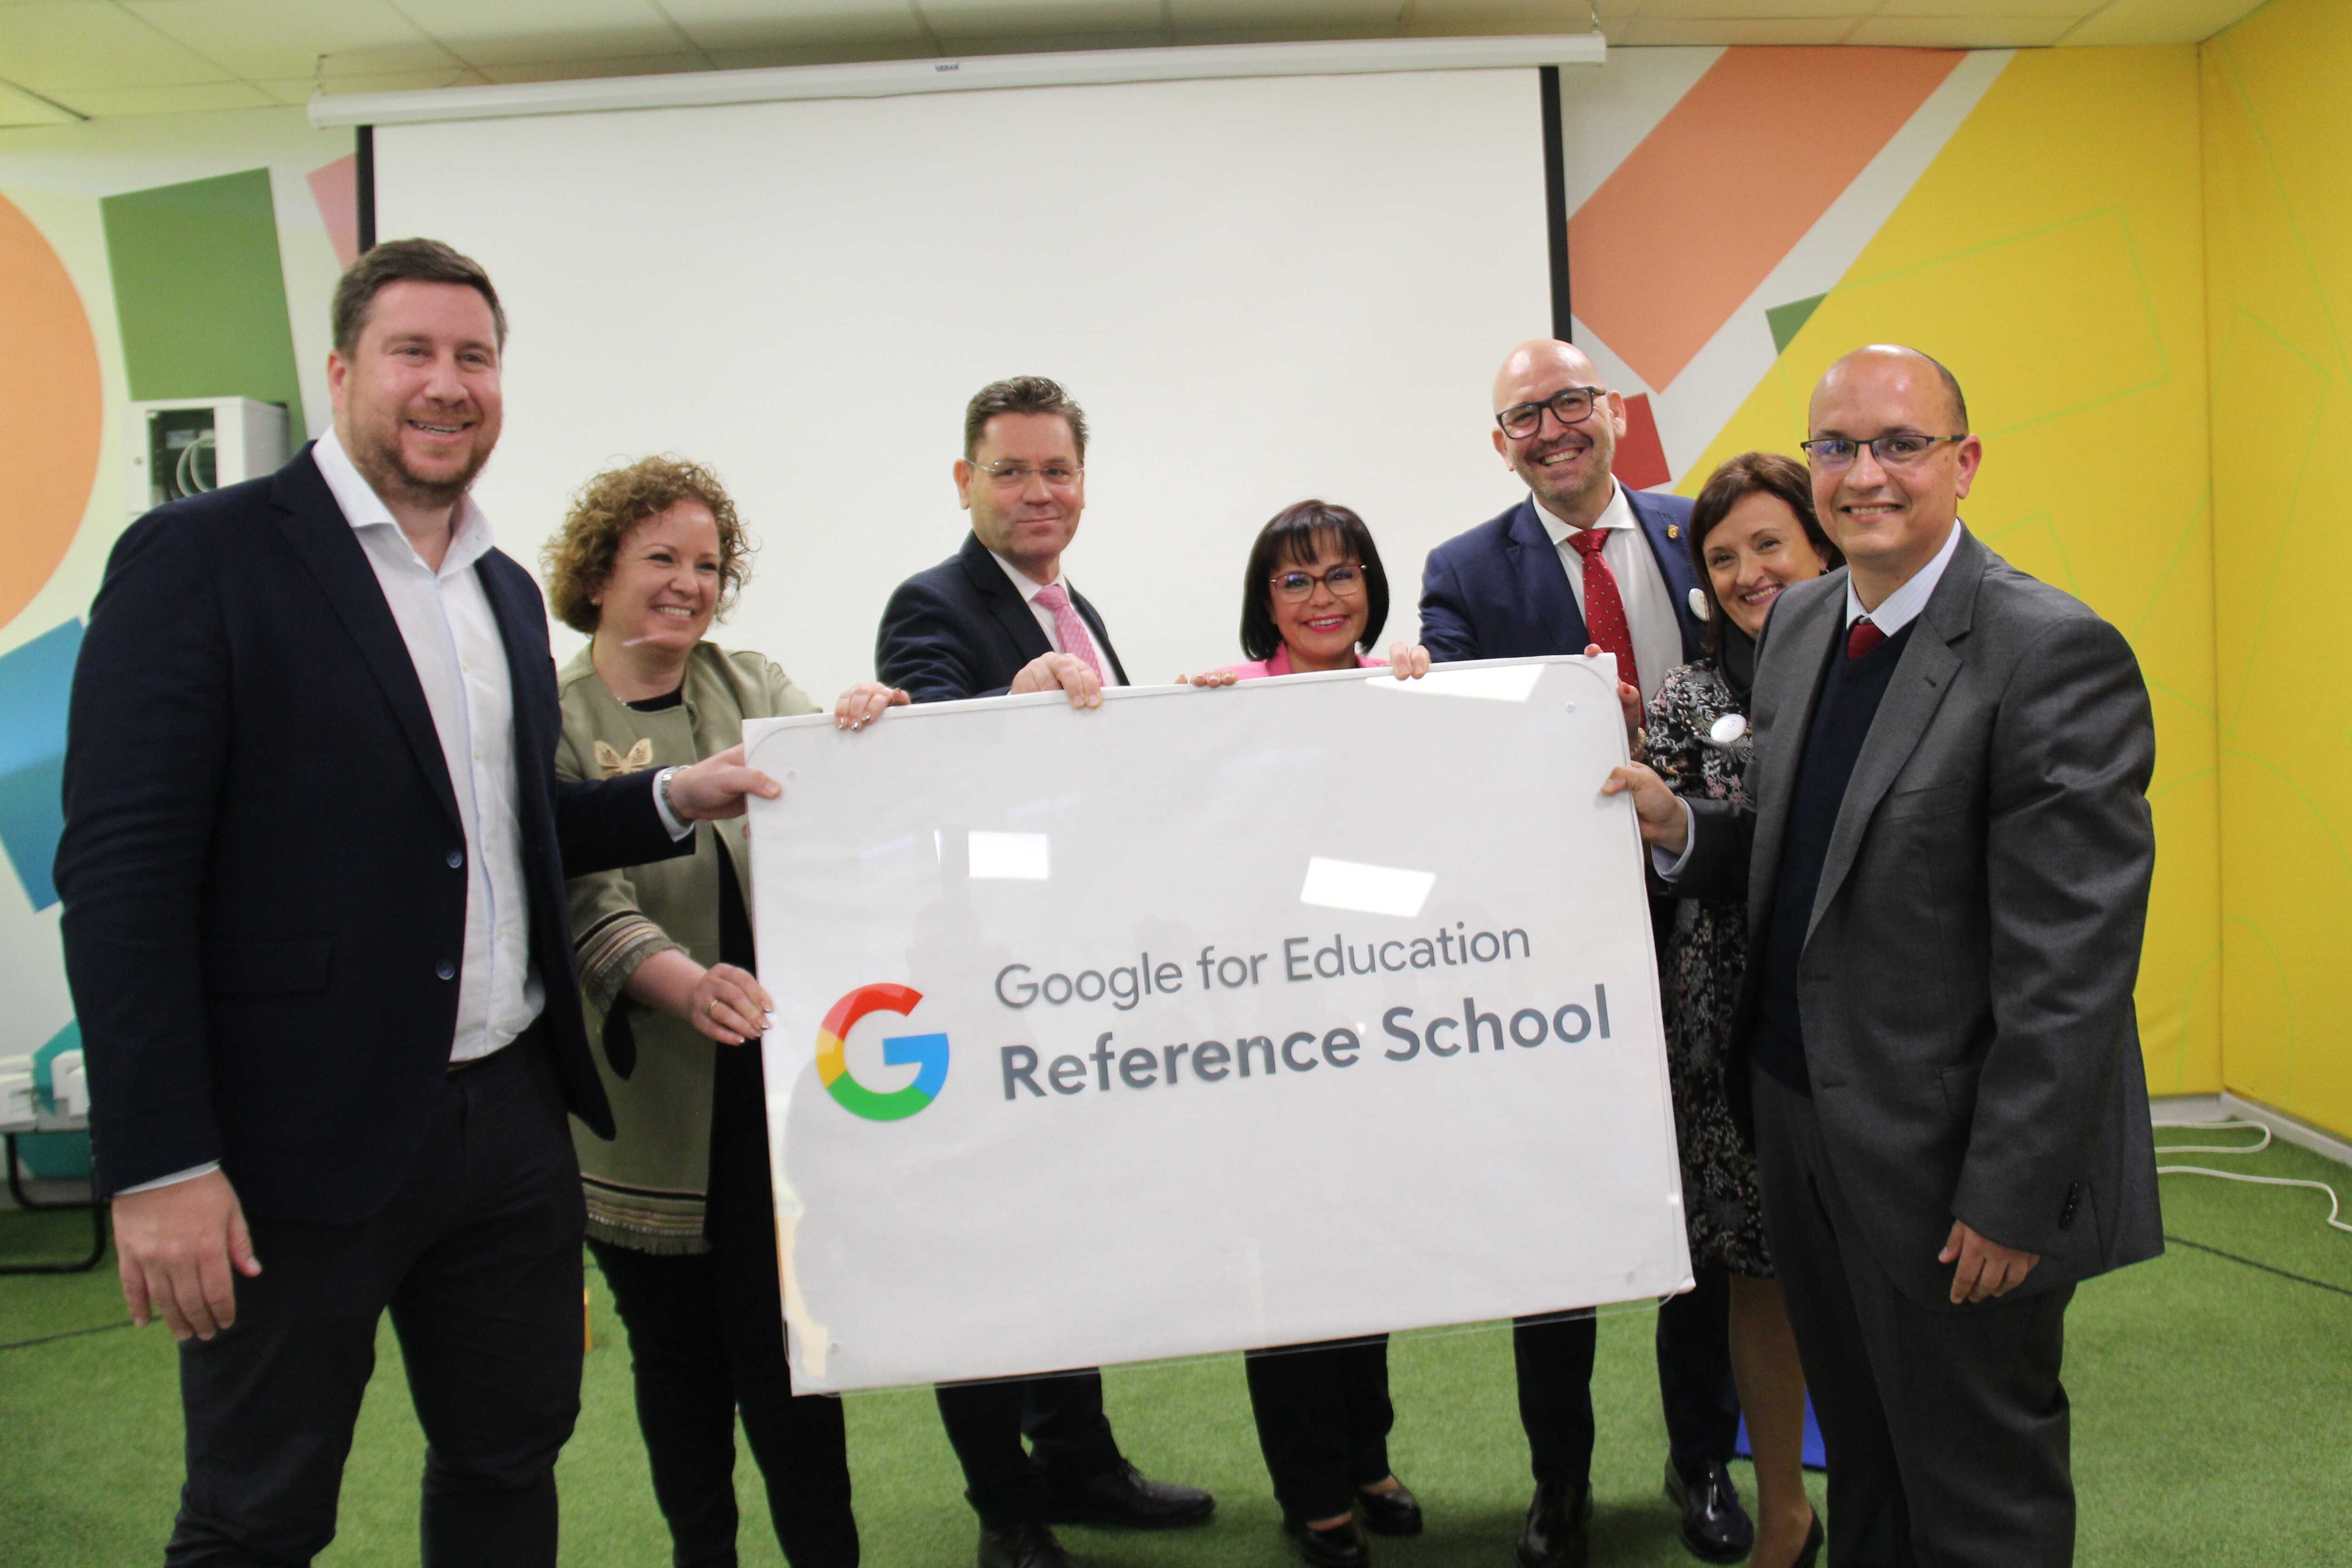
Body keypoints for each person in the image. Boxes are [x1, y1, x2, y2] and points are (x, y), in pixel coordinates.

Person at [54, 239, 779, 1567]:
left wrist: (676, 794)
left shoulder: (499, 592)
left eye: (475, 357)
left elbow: (503, 834)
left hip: (506, 1119)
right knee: (256, 1509)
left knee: (510, 1462)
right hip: (290, 1138)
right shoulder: (200, 558)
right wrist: (160, 1160)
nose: (447, 385)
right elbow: (120, 874)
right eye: (413, 352)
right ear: (341, 372)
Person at [1608, 345, 2163, 1566]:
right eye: (1836, 447)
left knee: (1978, 1498)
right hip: (1801, 1129)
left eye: (1899, 444)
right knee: (1863, 1470)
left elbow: (2070, 966)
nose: (1865, 474)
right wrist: (1682, 823)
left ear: (1964, 463)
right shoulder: (1809, 618)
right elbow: (1818, 844)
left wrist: (2011, 1193)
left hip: (1950, 1162)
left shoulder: (2052, 653)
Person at [873, 376, 1213, 1568]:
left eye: (1055, 469)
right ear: (962, 481)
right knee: (983, 1252)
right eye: (1009, 470)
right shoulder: (933, 602)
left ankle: (1079, 1461)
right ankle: (1004, 1511)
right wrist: (997, 707)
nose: (1036, 491)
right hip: (978, 994)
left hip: (1073, 980)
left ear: (1083, 480)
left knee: (1067, 1233)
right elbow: (926, 756)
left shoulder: (1075, 606)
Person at [542, 456, 907, 1567]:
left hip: (777, 1099)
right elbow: (578, 897)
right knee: (676, 1365)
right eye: (661, 558)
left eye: (708, 563)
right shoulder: (553, 718)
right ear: (600, 573)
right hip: (645, 1105)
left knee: (793, 1359)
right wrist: (682, 982)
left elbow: (843, 776)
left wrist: (871, 717)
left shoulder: (746, 682)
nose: (689, 583)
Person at [1419, 340, 1748, 1568]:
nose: (1552, 428)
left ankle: (1702, 1460)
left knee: (1702, 1217)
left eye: (1570, 402)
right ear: (1501, 443)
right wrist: (1562, 730)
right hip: (1551, 939)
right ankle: (1560, 1483)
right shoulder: (1462, 571)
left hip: (1704, 921)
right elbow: (1455, 733)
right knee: (1553, 1228)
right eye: (1524, 416)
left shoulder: (1697, 530)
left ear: (1611, 413)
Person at [1181, 500, 1429, 1568]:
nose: (1323, 596)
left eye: (1342, 573)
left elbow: (1428, 869)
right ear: (1263, 600)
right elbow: (1213, 879)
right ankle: (1312, 1490)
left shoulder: (1409, 696)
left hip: (1379, 1035)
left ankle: (1366, 1456)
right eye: (1297, 579)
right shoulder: (1217, 709)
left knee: (1365, 1255)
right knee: (1285, 1268)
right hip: (1261, 1040)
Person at [1645, 453, 1840, 1568]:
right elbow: (1693, 850)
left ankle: (1873, 1499)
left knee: (1863, 1287)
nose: (1746, 571)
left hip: (1850, 1030)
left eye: (1769, 544)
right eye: (1721, 557)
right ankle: (1782, 1515)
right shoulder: (1688, 694)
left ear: (1819, 543)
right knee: (1753, 1280)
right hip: (1722, 1034)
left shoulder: (1871, 672)